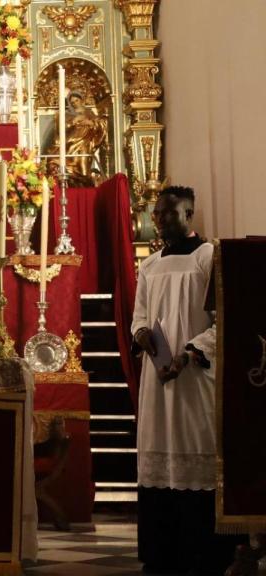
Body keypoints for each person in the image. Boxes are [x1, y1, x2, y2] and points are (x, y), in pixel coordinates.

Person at [131, 186, 236, 575]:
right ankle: (161, 554)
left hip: (194, 374)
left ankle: (204, 554)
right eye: (156, 214)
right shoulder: (150, 264)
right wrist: (141, 333)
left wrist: (189, 353)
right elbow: (140, 314)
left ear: (189, 214)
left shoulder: (209, 257)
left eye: (168, 214)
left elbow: (223, 319)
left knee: (196, 452)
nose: (159, 220)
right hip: (156, 374)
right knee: (159, 449)